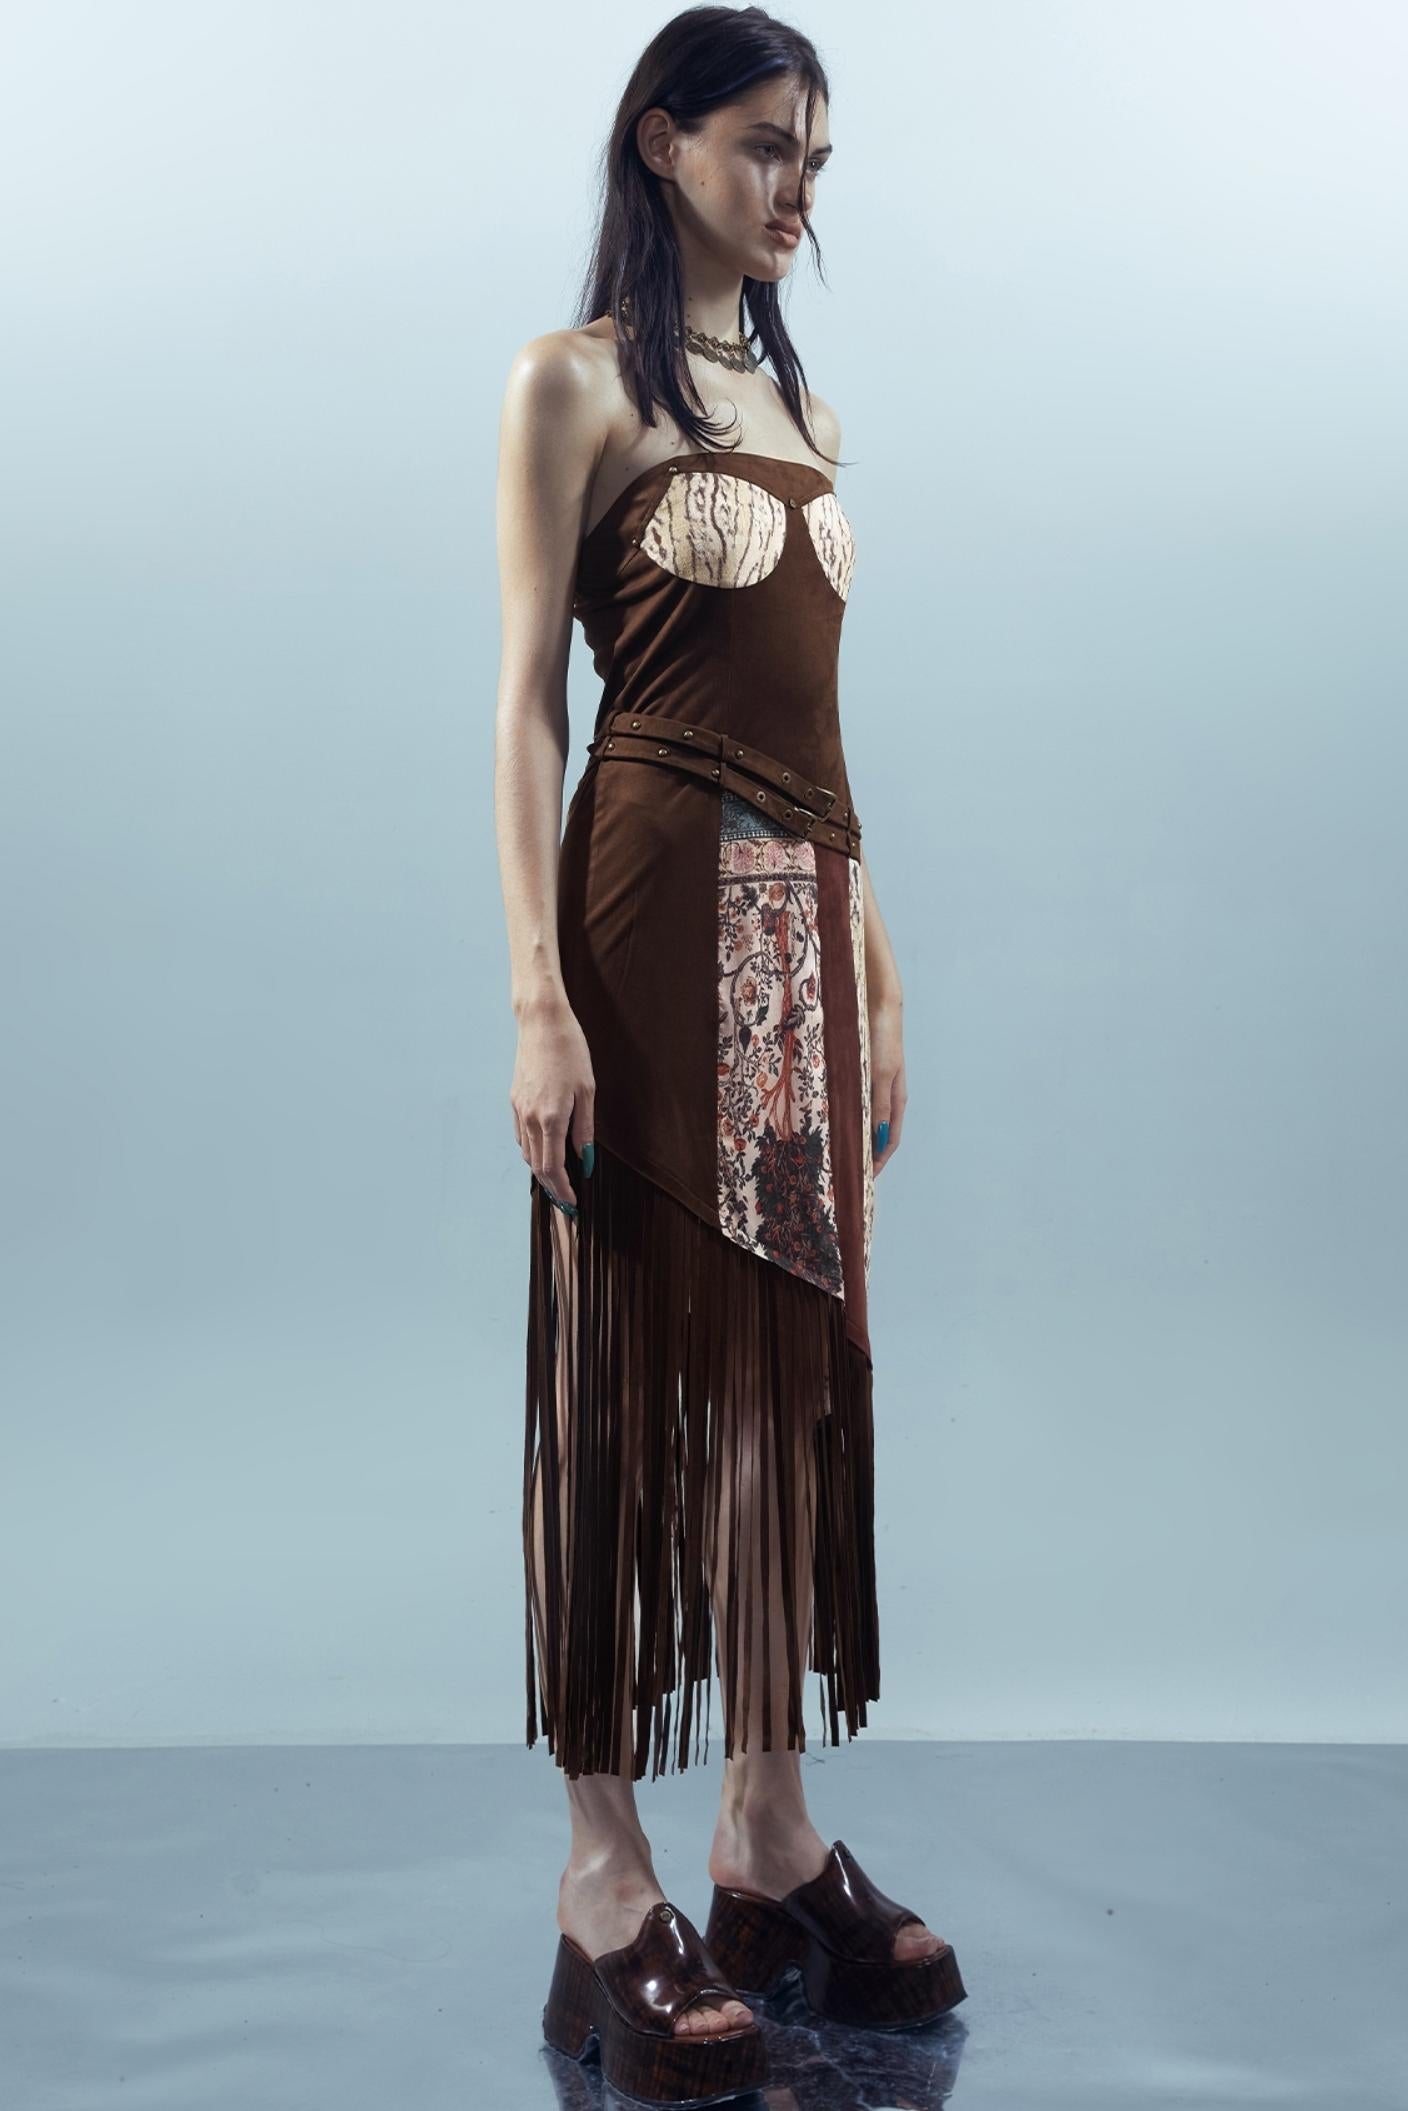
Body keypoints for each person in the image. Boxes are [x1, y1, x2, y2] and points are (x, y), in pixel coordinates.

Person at [493, 9, 965, 2097]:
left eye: (816, 163)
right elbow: (528, 701)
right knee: (616, 1380)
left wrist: (877, 955)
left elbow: (812, 724)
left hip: (794, 918)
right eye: (766, 147)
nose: (794, 192)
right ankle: (602, 1877)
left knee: (779, 1383)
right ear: (662, 143)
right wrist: (533, 995)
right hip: (639, 906)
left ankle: (764, 1836)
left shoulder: (804, 414)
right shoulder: (572, 384)